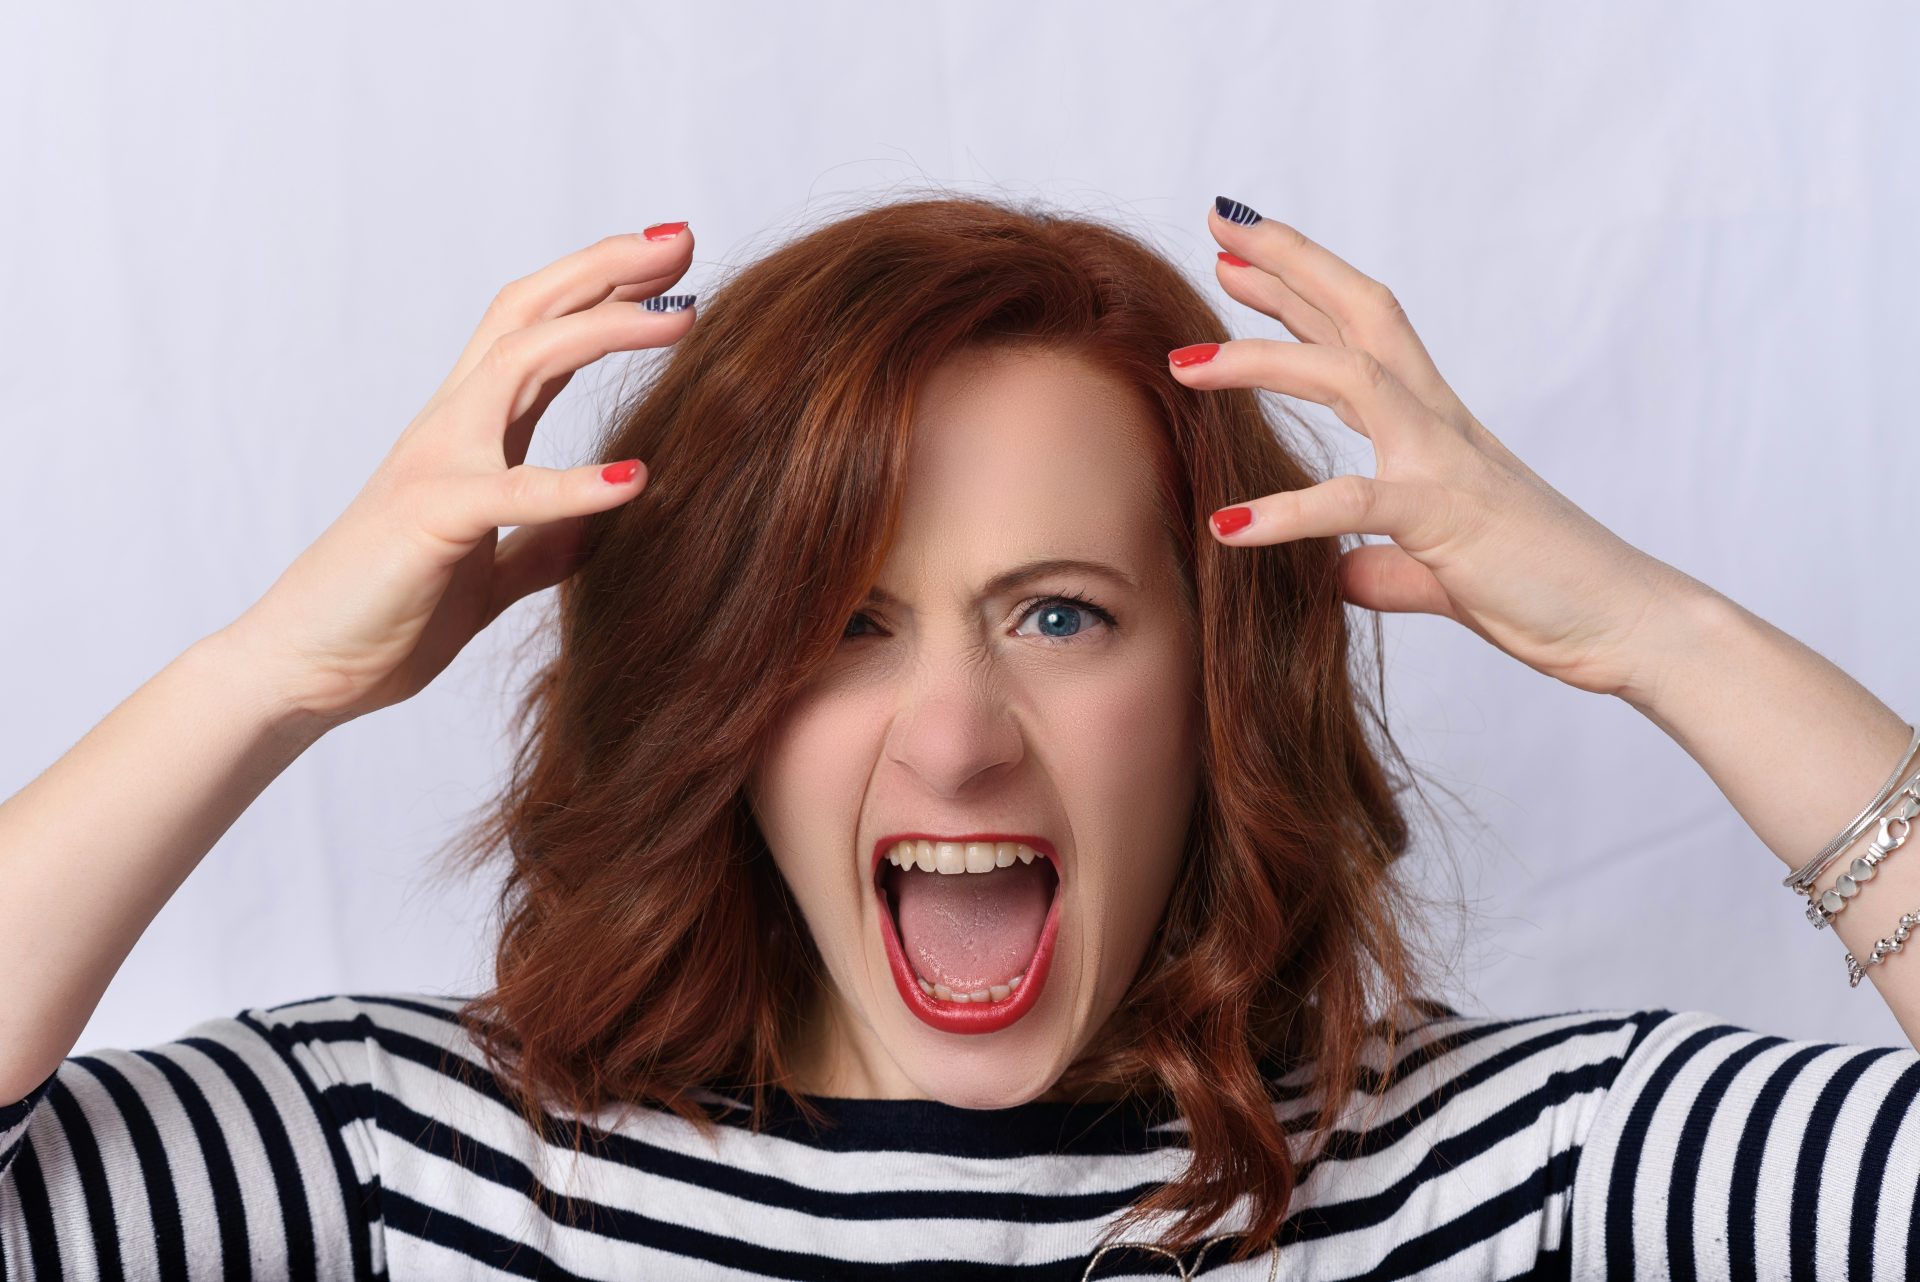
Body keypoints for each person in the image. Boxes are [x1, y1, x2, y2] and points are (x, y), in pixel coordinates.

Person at [1, 193, 1915, 1280]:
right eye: (841, 627)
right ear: (722, 699)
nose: (956, 735)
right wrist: (268, 672)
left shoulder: (1521, 1175)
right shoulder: (395, 1163)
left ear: (1216, 682)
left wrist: (1665, 633)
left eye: (1061, 614)